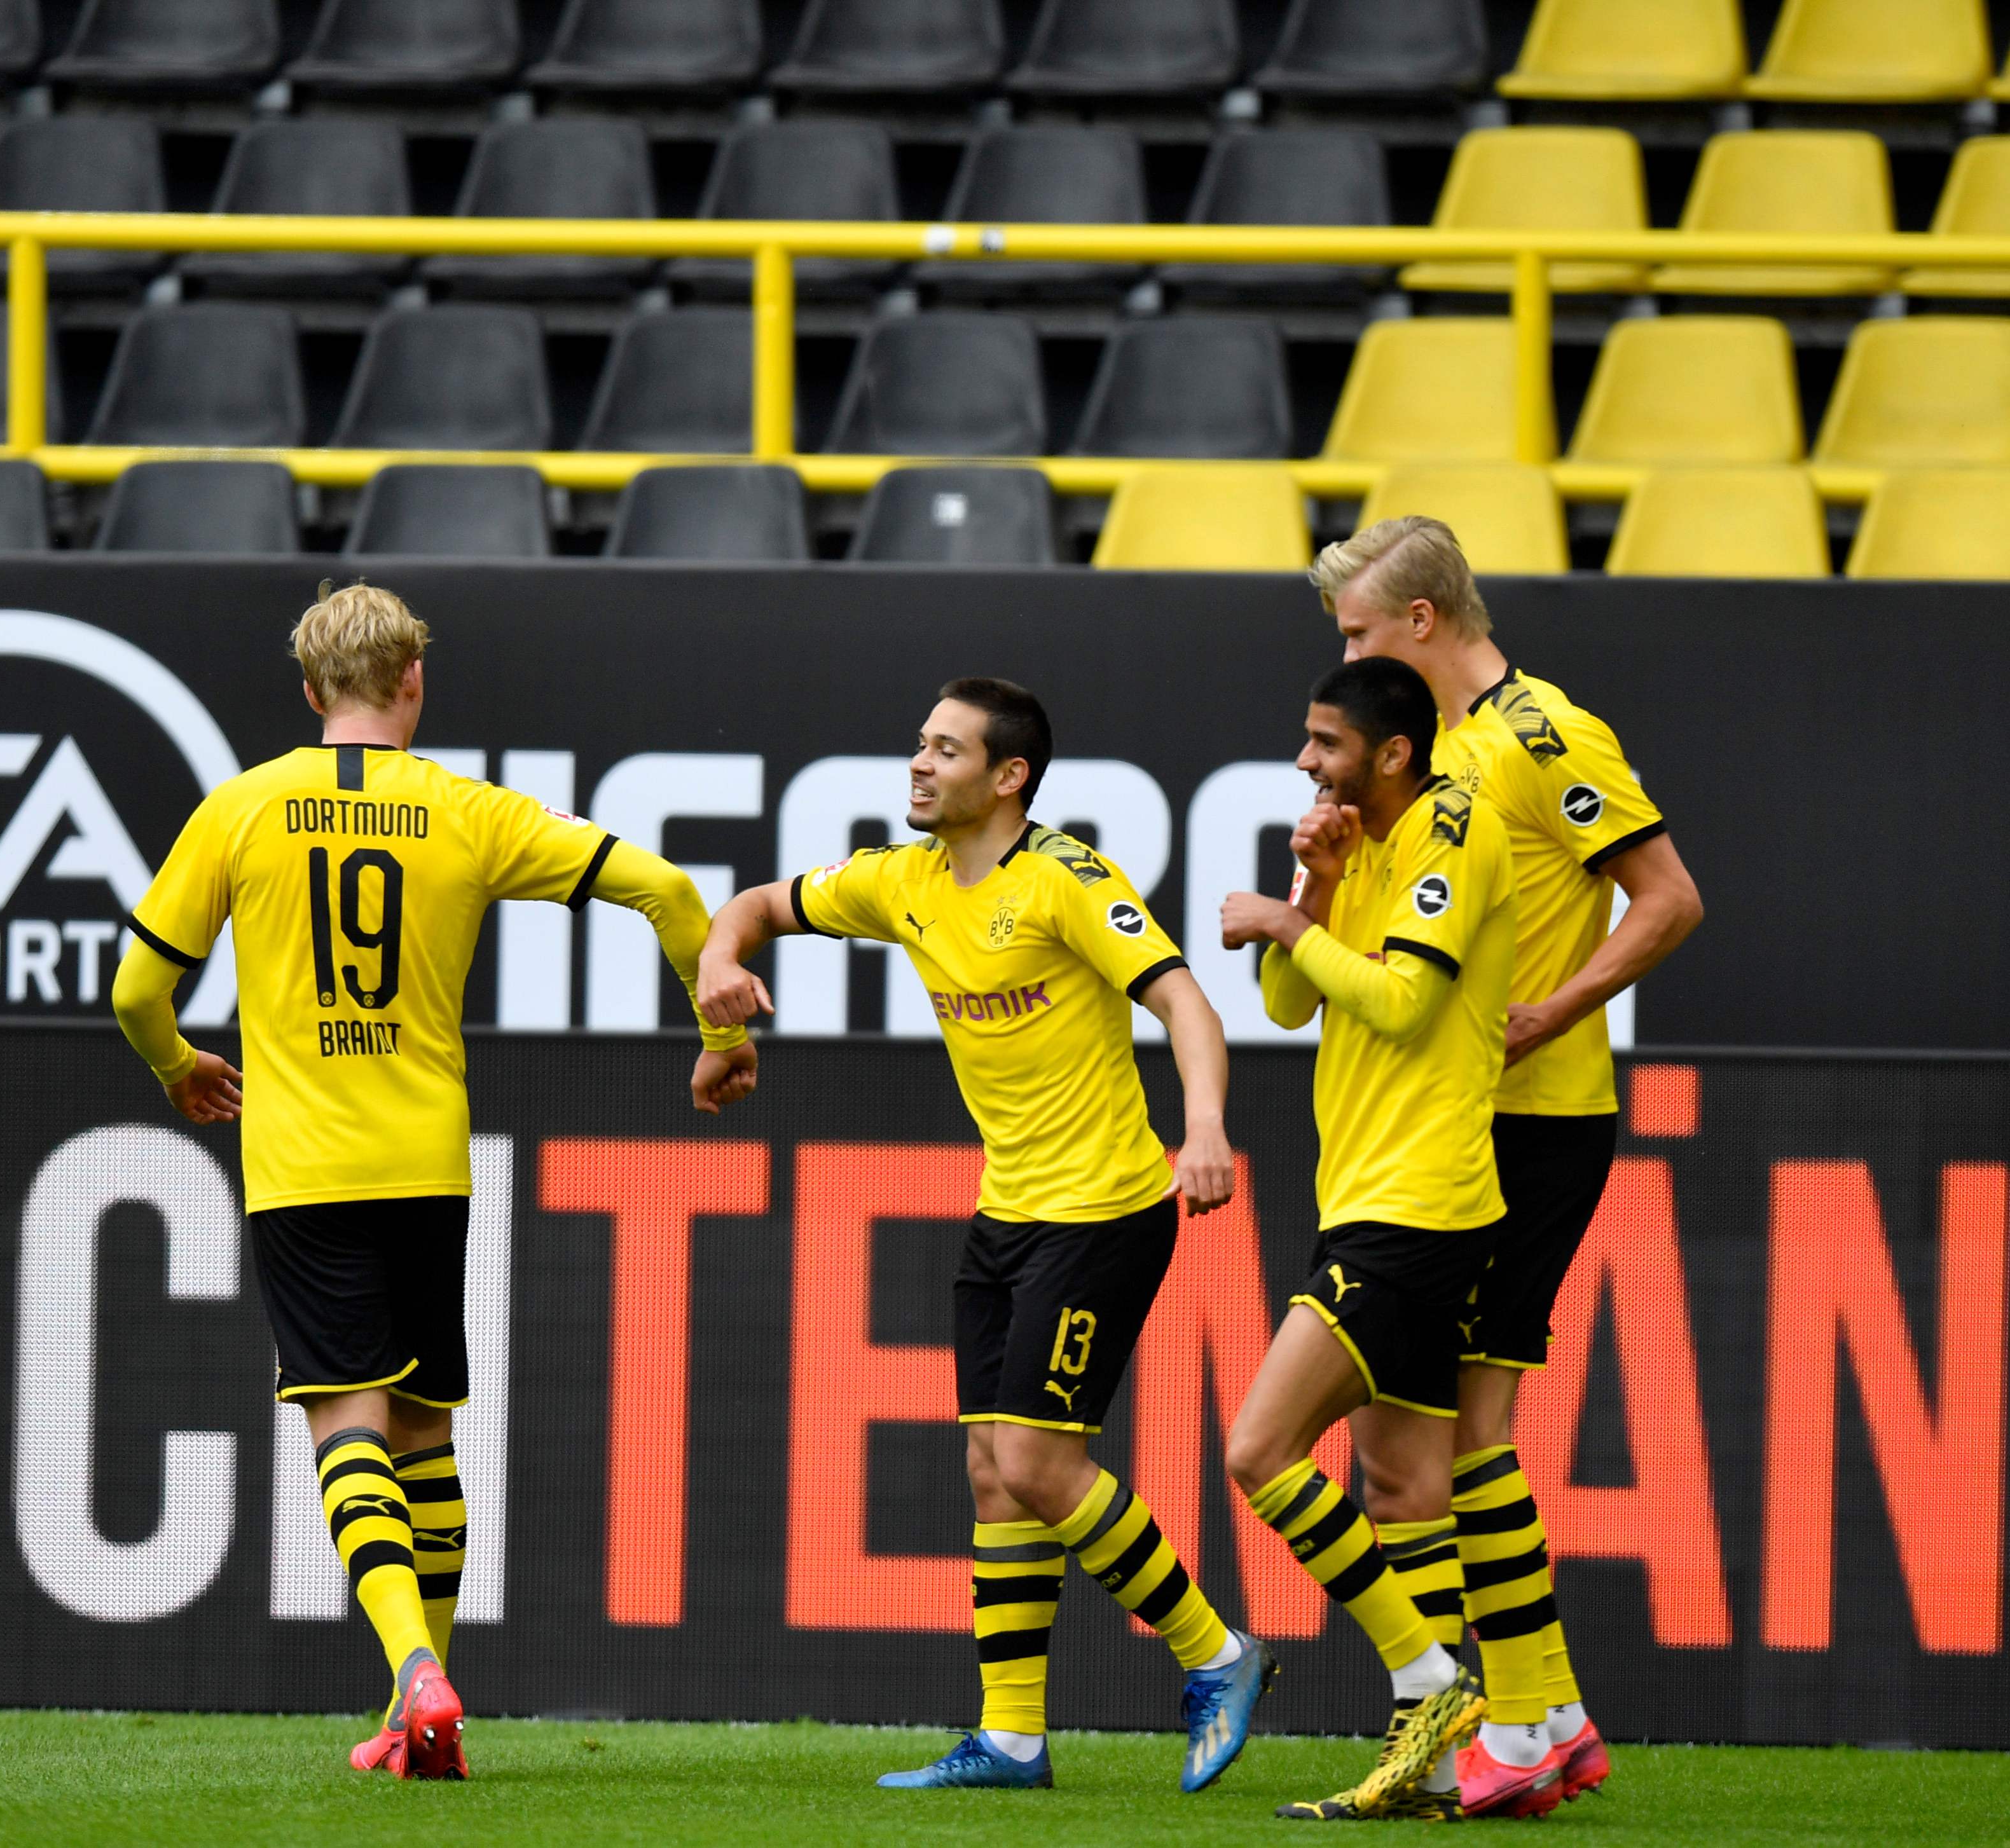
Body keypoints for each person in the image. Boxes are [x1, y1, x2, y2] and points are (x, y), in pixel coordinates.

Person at [109, 583, 754, 1781]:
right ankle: (425, 1723)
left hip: (302, 1170)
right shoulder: (465, 812)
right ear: (415, 684)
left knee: (343, 1425)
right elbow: (668, 890)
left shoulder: (242, 809)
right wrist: (718, 1037)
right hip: (427, 1168)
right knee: (424, 1430)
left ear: (310, 695)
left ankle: (414, 1670)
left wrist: (178, 1067)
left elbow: (136, 991)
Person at [695, 677, 1272, 1795]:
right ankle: (1011, 1738)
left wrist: (1202, 1130)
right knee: (992, 1474)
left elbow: (1189, 1006)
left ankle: (1218, 1653)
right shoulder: (901, 880)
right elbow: (757, 907)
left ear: (1007, 778)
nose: (918, 765)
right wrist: (720, 966)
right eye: (918, 744)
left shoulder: (1065, 879)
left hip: (1105, 1209)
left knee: (1038, 1463)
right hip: (1008, 1212)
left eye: (946, 750)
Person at [1312, 516, 1704, 1816]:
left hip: (1529, 1119)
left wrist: (1556, 1005)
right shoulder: (1419, 759)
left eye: (1361, 634)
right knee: (1414, 1445)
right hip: (1445, 1123)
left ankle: (1520, 1719)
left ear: (1421, 622)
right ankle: (1538, 1715)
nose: (1350, 657)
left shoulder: (1544, 735)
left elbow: (1666, 895)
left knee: (1458, 1433)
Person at [1218, 657, 1518, 1823]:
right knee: (1400, 1489)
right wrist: (1324, 888)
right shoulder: (1370, 846)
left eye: (1325, 743)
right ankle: (1431, 1772)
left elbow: (1403, 1003)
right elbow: (1292, 1006)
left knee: (1258, 1450)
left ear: (1392, 752)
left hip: (1419, 1204)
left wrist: (1292, 919)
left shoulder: (1455, 827)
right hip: (1371, 1194)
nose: (1307, 761)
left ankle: (1432, 1680)